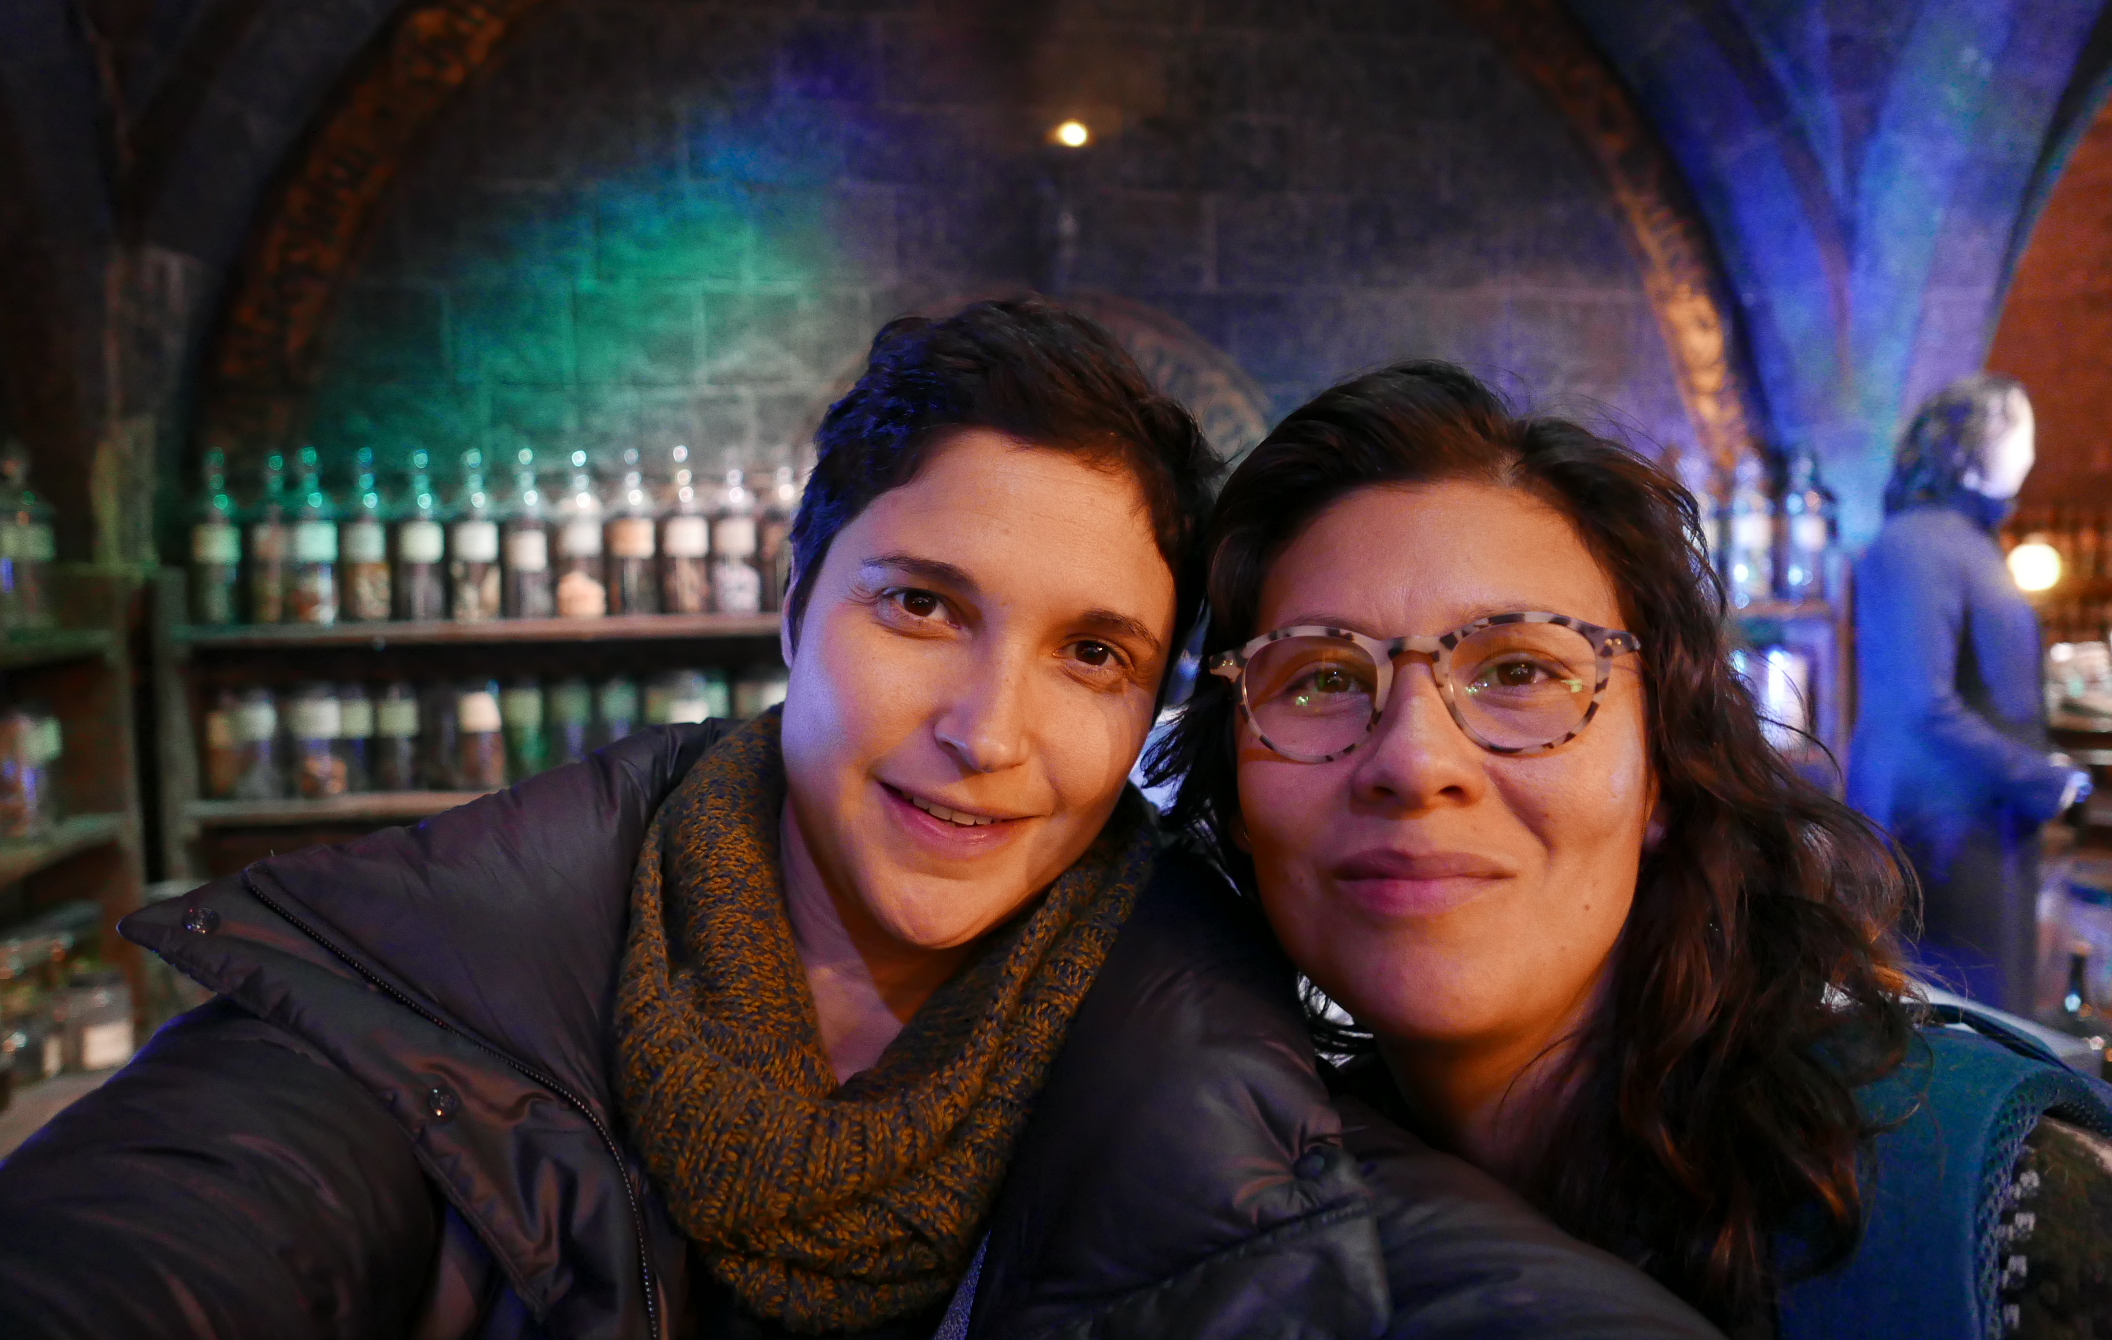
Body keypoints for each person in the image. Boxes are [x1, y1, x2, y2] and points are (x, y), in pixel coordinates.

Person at [0, 307, 1717, 1340]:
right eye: (920, 606)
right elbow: (193, 1216)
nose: (987, 731)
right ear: (793, 607)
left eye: (1093, 654)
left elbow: (1375, 1262)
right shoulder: (444, 967)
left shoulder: (1197, 1041)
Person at [1151, 361, 2112, 1340]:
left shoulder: (2000, 1215)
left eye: (1519, 670)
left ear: (1662, 770)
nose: (1413, 760)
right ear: (1235, 792)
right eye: (1320, 677)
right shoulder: (1220, 1212)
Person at [1848, 374, 2091, 1013]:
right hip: (1942, 837)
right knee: (1959, 1023)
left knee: (1992, 1017)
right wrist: (2043, 779)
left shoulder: (1960, 539)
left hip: (1978, 823)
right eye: (2022, 432)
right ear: (1973, 446)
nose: (2032, 452)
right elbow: (1919, 706)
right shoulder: (1916, 543)